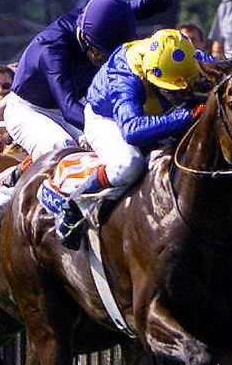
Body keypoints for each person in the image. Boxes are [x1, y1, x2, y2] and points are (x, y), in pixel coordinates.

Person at [54, 29, 203, 249]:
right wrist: (185, 116)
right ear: (152, 72)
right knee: (129, 164)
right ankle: (76, 202)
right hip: (108, 118)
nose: (178, 94)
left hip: (153, 113)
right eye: (171, 89)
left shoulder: (184, 58)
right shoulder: (125, 74)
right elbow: (132, 130)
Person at [5, 0, 175, 160]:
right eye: (101, 55)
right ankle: (15, 184)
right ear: (84, 38)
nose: (105, 62)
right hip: (30, 110)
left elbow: (153, 5)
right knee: (62, 148)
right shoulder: (51, 50)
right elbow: (69, 108)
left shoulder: (108, 18)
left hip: (77, 104)